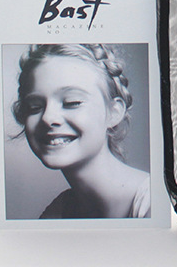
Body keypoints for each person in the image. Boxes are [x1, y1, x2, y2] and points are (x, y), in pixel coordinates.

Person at [12, 43, 150, 219]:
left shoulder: (153, 203)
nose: (48, 117)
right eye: (35, 107)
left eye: (72, 102)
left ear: (114, 112)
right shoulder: (57, 212)